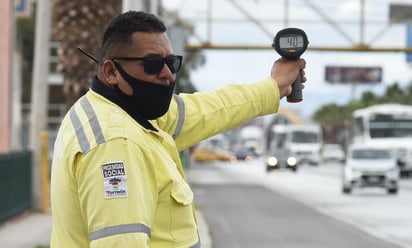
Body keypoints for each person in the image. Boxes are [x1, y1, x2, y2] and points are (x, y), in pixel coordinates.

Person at [50, 10, 306, 248]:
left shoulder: (120, 113)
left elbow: (209, 109)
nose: (167, 75)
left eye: (171, 63)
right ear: (111, 71)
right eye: (151, 64)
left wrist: (274, 86)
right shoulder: (118, 143)